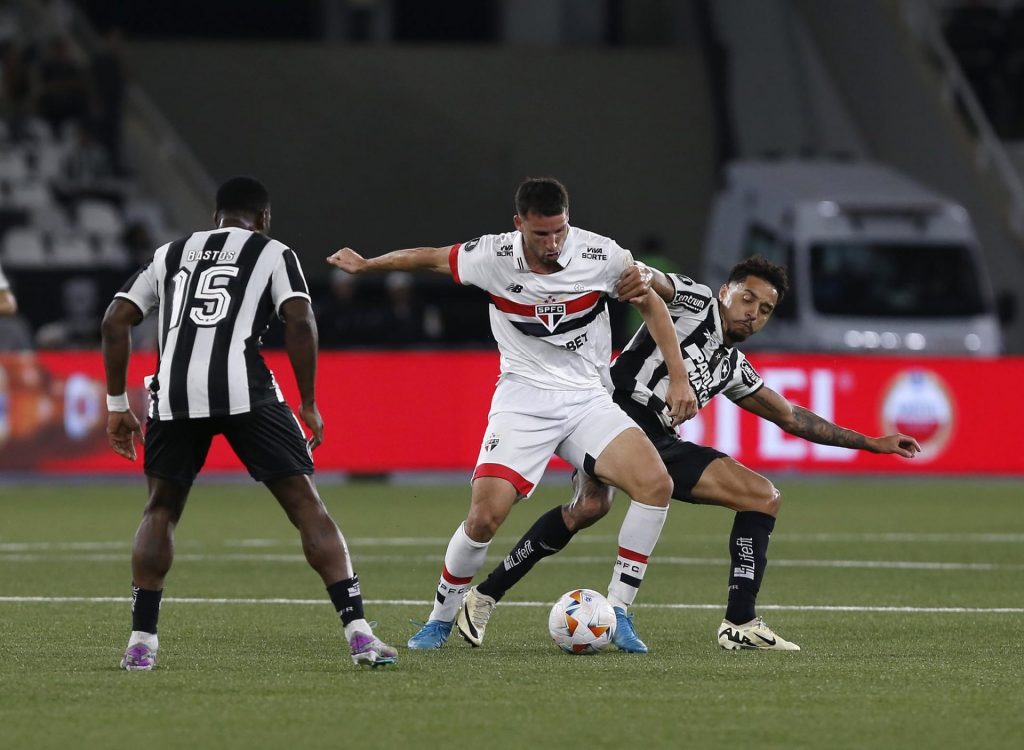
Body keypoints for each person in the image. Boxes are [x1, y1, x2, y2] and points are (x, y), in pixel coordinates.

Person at [461, 256, 923, 651]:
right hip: (611, 415)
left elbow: (792, 418)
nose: (753, 314)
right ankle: (490, 598)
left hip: (658, 439)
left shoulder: (732, 366)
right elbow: (653, 282)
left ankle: (739, 623)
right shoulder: (696, 301)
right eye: (747, 299)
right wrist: (633, 271)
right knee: (591, 507)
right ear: (726, 291)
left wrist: (868, 441)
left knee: (761, 496)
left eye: (765, 310)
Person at [327, 177, 695, 653]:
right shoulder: (492, 256)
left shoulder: (602, 255)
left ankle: (620, 612)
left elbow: (653, 305)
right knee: (484, 517)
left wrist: (680, 378)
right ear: (519, 224)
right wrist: (368, 264)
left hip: (586, 397)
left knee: (655, 484)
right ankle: (439, 619)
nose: (554, 242)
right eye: (542, 233)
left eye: (560, 230)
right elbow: (431, 255)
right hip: (523, 401)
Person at [101, 176, 397, 670]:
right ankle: (360, 635)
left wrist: (116, 404)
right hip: (245, 389)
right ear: (263, 218)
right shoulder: (273, 252)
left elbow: (115, 319)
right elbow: (300, 320)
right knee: (306, 507)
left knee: (161, 509)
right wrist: (307, 402)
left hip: (173, 391)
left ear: (215, 217)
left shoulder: (171, 252)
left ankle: (141, 644)